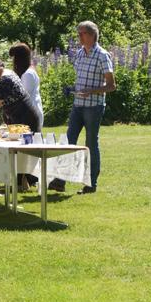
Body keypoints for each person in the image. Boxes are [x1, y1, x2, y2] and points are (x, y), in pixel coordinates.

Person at [51, 21, 115, 194]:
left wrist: (91, 91)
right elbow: (81, 79)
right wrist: (74, 90)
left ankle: (91, 184)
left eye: (82, 34)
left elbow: (111, 86)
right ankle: (59, 181)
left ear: (92, 35)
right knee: (67, 142)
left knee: (90, 144)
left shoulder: (102, 55)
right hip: (78, 105)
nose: (79, 37)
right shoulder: (80, 53)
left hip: (94, 107)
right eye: (78, 34)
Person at [0, 54, 42, 133]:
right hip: (27, 115)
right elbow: (5, 94)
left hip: (23, 119)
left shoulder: (4, 80)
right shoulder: (9, 72)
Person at [9, 43, 44, 126]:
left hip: (30, 115)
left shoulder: (28, 74)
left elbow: (22, 96)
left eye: (14, 58)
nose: (12, 61)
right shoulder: (27, 72)